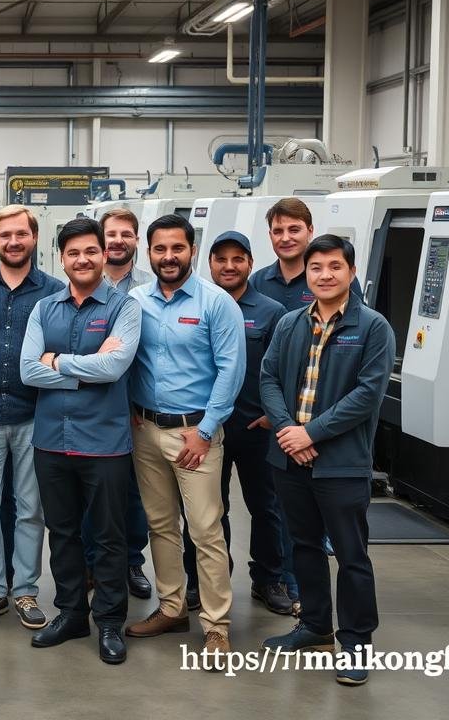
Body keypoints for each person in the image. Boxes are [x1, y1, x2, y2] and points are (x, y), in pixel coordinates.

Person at [260, 235, 393, 687]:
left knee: (352, 555)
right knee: (304, 546)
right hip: (290, 459)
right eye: (316, 267)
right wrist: (288, 432)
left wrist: (310, 433)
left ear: (351, 272)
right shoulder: (290, 323)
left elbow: (367, 395)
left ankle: (356, 642)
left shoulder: (372, 327)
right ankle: (316, 625)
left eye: (335, 266)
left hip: (341, 463)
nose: (325, 275)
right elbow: (268, 379)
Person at [19, 217, 140, 665]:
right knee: (63, 532)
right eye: (73, 253)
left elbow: (115, 368)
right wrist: (84, 370)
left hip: (105, 443)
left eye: (91, 251)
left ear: (104, 254)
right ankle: (71, 613)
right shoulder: (44, 308)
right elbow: (27, 370)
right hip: (51, 441)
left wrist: (57, 362)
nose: (83, 259)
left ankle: (109, 621)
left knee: (109, 537)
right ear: (62, 258)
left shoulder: (125, 308)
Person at [124, 214, 243, 662]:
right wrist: (129, 410)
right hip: (145, 430)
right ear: (148, 253)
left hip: (196, 434)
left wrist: (206, 431)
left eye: (177, 248)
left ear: (192, 250)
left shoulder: (216, 303)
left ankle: (216, 625)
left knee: (205, 530)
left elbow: (231, 371)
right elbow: (125, 359)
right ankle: (172, 608)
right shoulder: (135, 301)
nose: (169, 256)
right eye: (160, 249)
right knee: (160, 525)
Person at [251, 197, 362, 607]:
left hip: (324, 428)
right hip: (273, 422)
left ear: (310, 231)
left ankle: (302, 591)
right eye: (278, 230)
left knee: (325, 527)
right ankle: (271, 579)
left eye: (294, 229)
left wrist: (308, 430)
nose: (286, 237)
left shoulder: (341, 290)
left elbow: (354, 368)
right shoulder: (260, 283)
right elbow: (265, 367)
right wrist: (279, 420)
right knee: (272, 507)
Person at [181, 231, 293, 615]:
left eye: (237, 259)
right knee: (205, 510)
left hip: (254, 427)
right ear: (209, 263)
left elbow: (284, 369)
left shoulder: (272, 311)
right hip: (205, 428)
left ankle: (269, 579)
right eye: (221, 259)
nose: (229, 266)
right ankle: (204, 581)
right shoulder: (196, 304)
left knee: (266, 507)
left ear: (249, 263)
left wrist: (275, 414)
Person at [0, 206, 62, 631]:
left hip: (35, 414)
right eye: (5, 235)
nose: (14, 241)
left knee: (30, 508)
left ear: (34, 238)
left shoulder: (54, 291)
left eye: (21, 234)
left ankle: (25, 591)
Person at [86, 206, 154, 600]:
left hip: (137, 406)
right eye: (111, 234)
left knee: (134, 491)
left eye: (126, 234)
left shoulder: (148, 287)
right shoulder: (81, 283)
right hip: (91, 403)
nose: (118, 241)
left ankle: (131, 562)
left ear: (136, 240)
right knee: (89, 491)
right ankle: (90, 563)